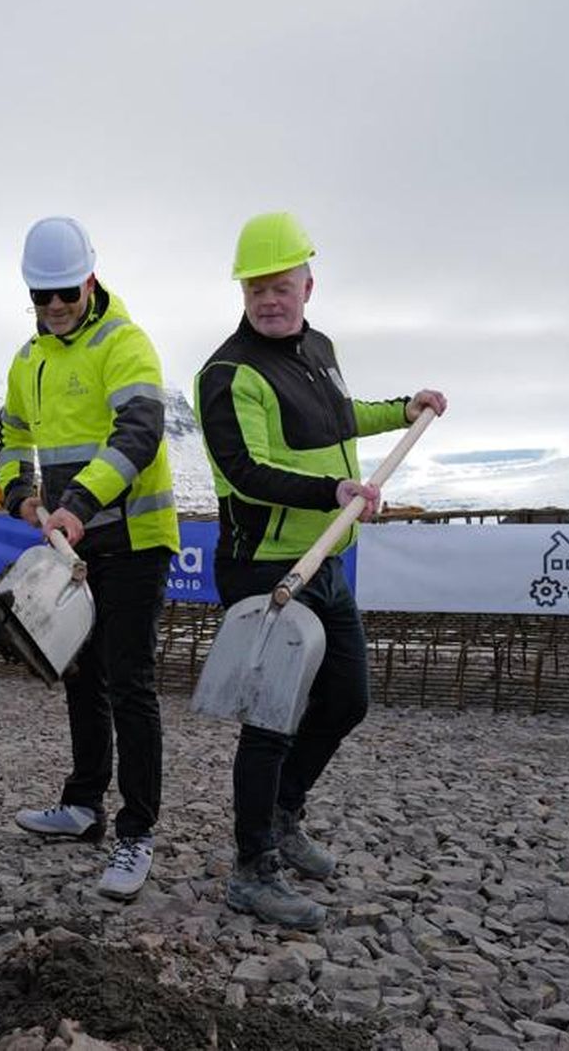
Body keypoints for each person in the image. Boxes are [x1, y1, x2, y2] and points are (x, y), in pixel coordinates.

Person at [194, 212, 447, 929]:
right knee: (271, 719)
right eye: (255, 289)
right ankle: (251, 869)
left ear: (309, 283)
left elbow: (339, 416)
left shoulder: (320, 348)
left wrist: (403, 409)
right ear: (242, 292)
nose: (269, 299)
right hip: (267, 568)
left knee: (347, 699)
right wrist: (331, 493)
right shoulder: (226, 373)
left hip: (326, 560)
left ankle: (282, 815)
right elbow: (243, 471)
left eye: (281, 286)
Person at [0, 216, 179, 901]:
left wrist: (76, 501)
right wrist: (19, 490)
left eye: (65, 293)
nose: (54, 308)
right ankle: (83, 804)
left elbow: (140, 430)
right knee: (79, 670)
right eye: (41, 297)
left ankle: (138, 828)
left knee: (129, 679)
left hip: (131, 536)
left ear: (90, 281)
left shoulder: (124, 343)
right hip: (72, 539)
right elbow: (12, 430)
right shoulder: (28, 359)